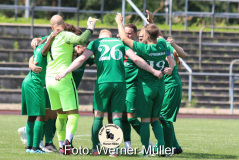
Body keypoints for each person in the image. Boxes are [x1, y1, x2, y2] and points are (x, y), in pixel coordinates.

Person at [55, 29, 163, 157]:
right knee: (117, 116)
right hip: (120, 83)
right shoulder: (119, 42)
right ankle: (114, 149)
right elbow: (136, 59)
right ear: (111, 36)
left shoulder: (95, 43)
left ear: (101, 36)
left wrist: (65, 72)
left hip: (103, 83)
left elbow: (82, 59)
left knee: (98, 116)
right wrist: (154, 71)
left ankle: (95, 148)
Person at [115, 13, 174, 156]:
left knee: (145, 120)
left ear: (147, 37)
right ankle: (161, 147)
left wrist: (119, 22)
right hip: (160, 87)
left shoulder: (144, 49)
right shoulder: (162, 44)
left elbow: (123, 38)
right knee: (155, 119)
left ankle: (146, 150)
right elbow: (170, 57)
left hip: (146, 88)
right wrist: (170, 69)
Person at [41, 15, 98, 155]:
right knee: (73, 114)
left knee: (60, 115)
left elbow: (42, 51)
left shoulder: (51, 36)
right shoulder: (65, 34)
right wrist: (90, 26)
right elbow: (81, 40)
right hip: (63, 79)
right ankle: (67, 143)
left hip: (49, 79)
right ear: (63, 24)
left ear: (51, 26)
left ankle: (61, 145)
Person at [146, 10, 187, 154]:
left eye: (142, 36)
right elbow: (158, 34)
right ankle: (174, 146)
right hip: (165, 86)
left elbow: (182, 54)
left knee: (164, 118)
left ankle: (166, 147)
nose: (141, 39)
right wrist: (151, 21)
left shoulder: (163, 45)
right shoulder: (156, 45)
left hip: (171, 85)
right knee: (162, 117)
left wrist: (174, 59)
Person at [21, 33, 59, 153]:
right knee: (40, 115)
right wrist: (52, 36)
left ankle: (30, 147)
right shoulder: (43, 50)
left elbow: (35, 53)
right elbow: (45, 46)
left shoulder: (37, 48)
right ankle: (35, 147)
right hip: (35, 84)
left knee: (32, 116)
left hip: (29, 82)